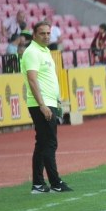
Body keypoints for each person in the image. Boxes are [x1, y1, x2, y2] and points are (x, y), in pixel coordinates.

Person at [20, 21, 73, 194]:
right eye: (42, 33)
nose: (46, 36)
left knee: (42, 143)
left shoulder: (45, 51)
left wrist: (56, 102)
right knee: (50, 143)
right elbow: (32, 80)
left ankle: (38, 184)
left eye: (48, 33)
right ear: (34, 35)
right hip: (40, 104)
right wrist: (43, 105)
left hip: (48, 102)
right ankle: (56, 183)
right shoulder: (32, 52)